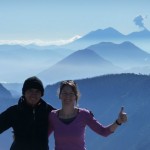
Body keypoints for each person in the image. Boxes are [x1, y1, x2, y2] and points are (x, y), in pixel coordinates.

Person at [48, 80, 127, 150]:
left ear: (76, 96)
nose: (68, 96)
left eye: (71, 93)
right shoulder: (52, 116)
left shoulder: (84, 115)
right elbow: (42, 137)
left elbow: (104, 132)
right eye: (64, 93)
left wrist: (118, 122)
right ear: (60, 96)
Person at [0, 76, 55, 150]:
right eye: (30, 90)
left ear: (41, 94)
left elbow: (66, 125)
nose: (33, 94)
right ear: (24, 93)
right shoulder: (14, 111)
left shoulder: (49, 111)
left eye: (37, 91)